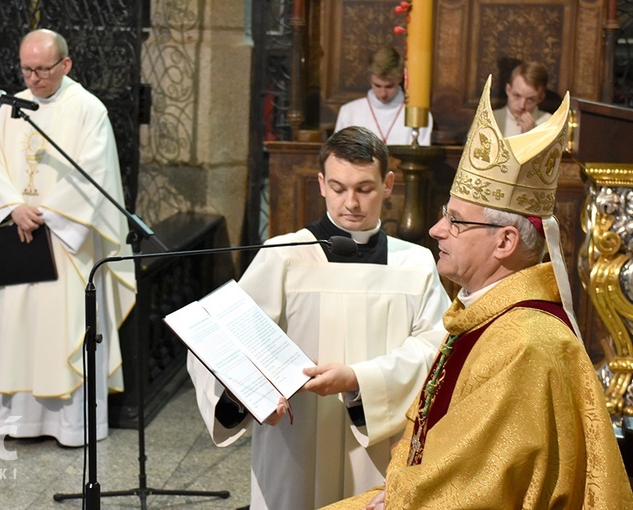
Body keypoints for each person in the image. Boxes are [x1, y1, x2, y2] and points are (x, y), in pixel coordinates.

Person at [322, 77, 633, 510]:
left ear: (505, 242)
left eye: (456, 221)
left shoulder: (526, 344)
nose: (436, 230)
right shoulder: (484, 318)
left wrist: (399, 498)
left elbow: (477, 487)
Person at [187, 126, 450, 509]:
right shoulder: (285, 256)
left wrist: (361, 380)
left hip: (378, 445)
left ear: (389, 184)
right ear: (321, 184)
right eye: (339, 188)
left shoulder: (415, 264)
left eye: (365, 188)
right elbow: (223, 341)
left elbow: (436, 352)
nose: (352, 203)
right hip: (295, 441)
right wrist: (251, 394)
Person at [0, 29, 136, 447]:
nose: (34, 79)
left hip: (65, 242)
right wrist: (13, 207)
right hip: (19, 239)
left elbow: (96, 174)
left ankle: (69, 426)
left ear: (66, 65)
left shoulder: (88, 110)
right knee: (18, 328)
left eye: (43, 70)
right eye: (27, 69)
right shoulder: (11, 109)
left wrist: (47, 215)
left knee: (64, 329)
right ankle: (18, 421)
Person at [334, 45, 433, 146]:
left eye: (389, 86)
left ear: (399, 78)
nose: (383, 94)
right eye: (377, 85)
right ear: (370, 78)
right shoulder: (349, 112)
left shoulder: (418, 115)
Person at [493, 61, 551, 136]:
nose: (522, 106)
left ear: (540, 98)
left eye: (530, 99)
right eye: (517, 96)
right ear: (508, 90)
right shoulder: (490, 120)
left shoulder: (550, 124)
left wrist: (531, 135)